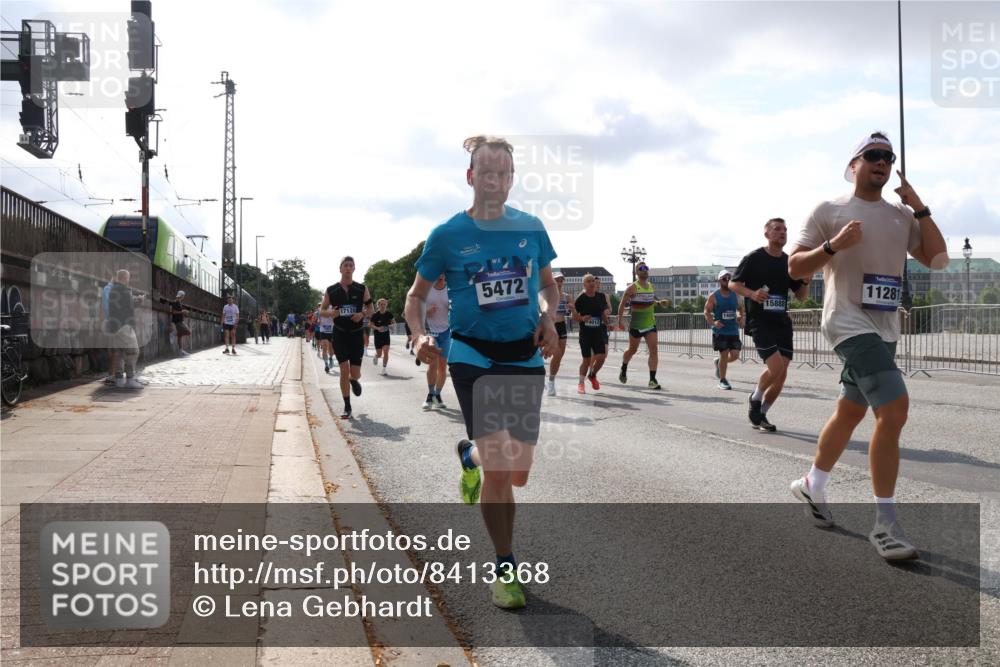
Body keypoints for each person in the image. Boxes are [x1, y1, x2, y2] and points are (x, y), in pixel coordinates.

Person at [405, 135, 559, 610]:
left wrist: (549, 316)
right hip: (472, 356)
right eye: (485, 173)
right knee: (501, 467)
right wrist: (418, 335)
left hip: (524, 356)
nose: (494, 181)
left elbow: (551, 287)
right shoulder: (447, 235)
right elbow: (415, 297)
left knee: (516, 475)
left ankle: (468, 456)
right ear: (471, 177)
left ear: (511, 180)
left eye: (503, 173)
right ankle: (505, 566)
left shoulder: (531, 228)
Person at [787, 131, 947, 560]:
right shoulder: (830, 209)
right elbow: (795, 265)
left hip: (886, 326)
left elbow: (938, 258)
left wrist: (921, 207)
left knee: (851, 409)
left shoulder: (901, 216)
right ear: (853, 164)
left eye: (888, 157)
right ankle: (886, 524)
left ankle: (812, 484)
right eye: (873, 155)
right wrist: (832, 246)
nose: (882, 161)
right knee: (893, 409)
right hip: (847, 322)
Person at [730, 219, 810, 432]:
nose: (782, 232)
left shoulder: (789, 262)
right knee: (775, 368)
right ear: (766, 233)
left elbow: (801, 297)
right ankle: (755, 398)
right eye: (777, 229)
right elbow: (733, 283)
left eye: (785, 229)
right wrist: (752, 294)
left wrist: (805, 281)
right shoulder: (754, 258)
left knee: (782, 374)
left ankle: (762, 413)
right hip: (760, 320)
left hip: (781, 322)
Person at [321, 256, 373, 419]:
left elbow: (371, 309)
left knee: (355, 373)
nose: (348, 268)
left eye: (351, 265)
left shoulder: (361, 288)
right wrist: (331, 313)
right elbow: (321, 311)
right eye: (346, 265)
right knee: (344, 369)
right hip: (340, 333)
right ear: (340, 269)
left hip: (357, 334)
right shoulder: (331, 290)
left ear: (354, 269)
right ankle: (347, 406)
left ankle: (353, 380)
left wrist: (362, 314)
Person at [617, 263, 670, 389]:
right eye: (641, 269)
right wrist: (620, 320)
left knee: (654, 350)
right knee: (632, 350)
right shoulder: (632, 288)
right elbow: (622, 304)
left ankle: (652, 380)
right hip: (636, 324)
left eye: (646, 268)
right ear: (637, 272)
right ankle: (624, 367)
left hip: (650, 324)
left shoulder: (651, 286)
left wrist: (659, 303)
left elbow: (649, 302)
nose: (645, 270)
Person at [703, 270, 744, 390]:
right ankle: (722, 380)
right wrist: (714, 323)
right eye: (725, 278)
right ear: (719, 280)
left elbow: (741, 308)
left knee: (735, 355)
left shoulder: (735, 295)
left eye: (729, 278)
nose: (727, 280)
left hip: (733, 330)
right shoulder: (714, 296)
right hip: (720, 331)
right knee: (724, 354)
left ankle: (719, 363)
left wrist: (741, 317)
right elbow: (706, 311)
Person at [106, 269, 143, 389]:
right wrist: (139, 300)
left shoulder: (112, 290)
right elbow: (130, 306)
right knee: (133, 351)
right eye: (128, 278)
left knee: (119, 353)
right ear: (125, 278)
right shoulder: (124, 290)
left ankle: (119, 379)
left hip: (114, 326)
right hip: (124, 326)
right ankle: (130, 379)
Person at [573, 274, 610, 394]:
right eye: (588, 281)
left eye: (593, 280)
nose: (592, 283)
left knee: (601, 357)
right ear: (584, 284)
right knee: (586, 360)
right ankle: (581, 383)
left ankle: (592, 375)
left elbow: (603, 313)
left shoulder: (600, 297)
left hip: (598, 331)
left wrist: (607, 323)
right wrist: (582, 318)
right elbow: (574, 317)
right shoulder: (581, 298)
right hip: (585, 333)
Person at [422, 275, 451, 408]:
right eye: (437, 273)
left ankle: (437, 396)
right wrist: (426, 311)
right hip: (431, 332)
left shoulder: (450, 289)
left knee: (442, 367)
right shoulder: (427, 289)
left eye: (442, 273)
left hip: (446, 332)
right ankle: (430, 395)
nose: (440, 276)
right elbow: (413, 309)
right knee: (432, 364)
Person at [546, 272, 572, 396]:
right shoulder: (547, 295)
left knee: (560, 356)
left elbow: (575, 315)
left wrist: (572, 309)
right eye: (557, 280)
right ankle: (550, 383)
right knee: (557, 354)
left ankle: (551, 380)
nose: (559, 283)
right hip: (551, 326)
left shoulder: (567, 297)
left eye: (561, 280)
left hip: (562, 326)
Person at [371, 298, 395, 375]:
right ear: (378, 305)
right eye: (381, 304)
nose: (383, 306)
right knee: (379, 354)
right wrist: (377, 328)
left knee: (386, 351)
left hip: (386, 336)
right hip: (377, 336)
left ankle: (384, 368)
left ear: (386, 305)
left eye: (384, 304)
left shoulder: (389, 314)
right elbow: (370, 324)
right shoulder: (375, 315)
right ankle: (376, 356)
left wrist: (391, 325)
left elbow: (394, 323)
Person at [316, 302, 335, 373]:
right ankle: (326, 364)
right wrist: (318, 321)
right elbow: (318, 320)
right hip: (323, 331)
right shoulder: (320, 309)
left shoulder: (333, 307)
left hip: (332, 331)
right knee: (324, 347)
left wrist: (332, 315)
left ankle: (330, 358)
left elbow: (335, 318)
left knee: (331, 349)